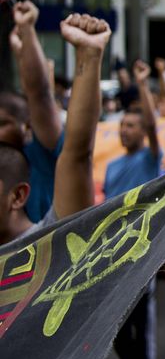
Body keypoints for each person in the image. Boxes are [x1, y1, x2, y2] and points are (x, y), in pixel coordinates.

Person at [0, 13, 109, 245]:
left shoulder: (51, 244)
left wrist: (89, 55)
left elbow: (78, 153)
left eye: (2, 123)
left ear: (18, 196)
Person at [104, 59, 163, 359]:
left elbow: (154, 125)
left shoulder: (150, 159)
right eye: (122, 126)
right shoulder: (112, 167)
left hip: (141, 252)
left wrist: (142, 82)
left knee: (143, 326)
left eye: (131, 126)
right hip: (110, 254)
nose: (124, 131)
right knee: (113, 326)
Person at [5, 0, 64, 222]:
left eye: (3, 123)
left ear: (26, 126)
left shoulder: (40, 157)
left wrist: (27, 32)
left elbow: (39, 94)